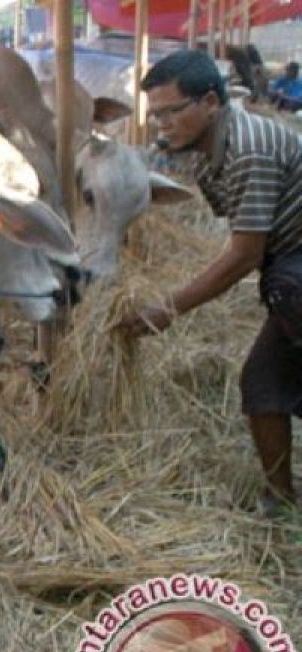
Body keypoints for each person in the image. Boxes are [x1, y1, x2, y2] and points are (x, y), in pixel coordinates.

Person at [118, 50, 302, 517]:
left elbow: (244, 255)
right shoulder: (206, 155)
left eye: (171, 112)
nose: (161, 124)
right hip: (288, 270)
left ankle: (280, 500)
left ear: (210, 103)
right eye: (154, 114)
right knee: (262, 383)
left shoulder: (247, 151)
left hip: (294, 274)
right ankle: (280, 502)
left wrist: (169, 308)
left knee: (267, 372)